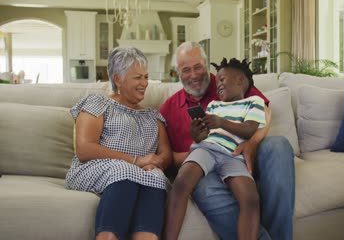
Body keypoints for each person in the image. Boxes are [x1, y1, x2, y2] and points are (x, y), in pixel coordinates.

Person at [160, 41, 295, 240]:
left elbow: (264, 112)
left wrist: (252, 143)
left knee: (279, 145)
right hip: (204, 162)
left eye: (198, 67)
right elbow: (168, 156)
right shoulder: (169, 108)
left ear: (206, 65)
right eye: (186, 70)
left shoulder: (226, 81)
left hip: (240, 157)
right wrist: (199, 151)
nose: (194, 75)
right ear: (177, 73)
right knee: (201, 185)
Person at [65, 46, 172, 240]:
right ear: (117, 79)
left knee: (157, 178)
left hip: (139, 171)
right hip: (96, 169)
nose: (145, 83)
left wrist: (156, 163)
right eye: (137, 77)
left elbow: (166, 153)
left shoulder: (152, 115)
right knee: (125, 172)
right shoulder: (97, 104)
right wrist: (135, 160)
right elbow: (84, 149)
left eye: (146, 77)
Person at [165, 58, 267, 240]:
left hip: (233, 157)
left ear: (240, 80)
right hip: (206, 149)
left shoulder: (254, 101)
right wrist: (196, 133)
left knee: (251, 199)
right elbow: (203, 138)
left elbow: (250, 129)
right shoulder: (213, 106)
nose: (218, 84)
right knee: (181, 184)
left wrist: (221, 122)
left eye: (222, 79)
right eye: (217, 80)